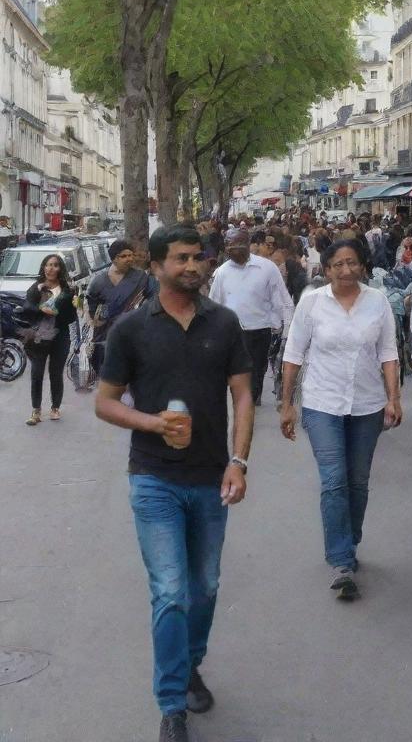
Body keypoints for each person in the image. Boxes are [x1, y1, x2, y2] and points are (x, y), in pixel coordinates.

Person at [94, 225, 254, 742]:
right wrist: (153, 423)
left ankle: (190, 664)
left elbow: (244, 397)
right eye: (181, 258)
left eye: (197, 257)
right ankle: (171, 704)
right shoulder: (131, 330)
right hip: (153, 479)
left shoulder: (225, 323)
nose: (193, 265)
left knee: (204, 588)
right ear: (156, 265)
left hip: (211, 478)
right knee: (170, 591)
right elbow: (106, 401)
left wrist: (239, 461)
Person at [279, 238, 402, 600]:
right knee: (334, 479)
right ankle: (341, 561)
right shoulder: (312, 303)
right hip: (322, 404)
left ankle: (349, 539)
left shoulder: (377, 301)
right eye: (338, 264)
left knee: (358, 482)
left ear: (362, 265)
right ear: (326, 268)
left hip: (367, 405)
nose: (346, 270)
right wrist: (287, 404)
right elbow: (293, 353)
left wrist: (393, 398)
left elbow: (389, 353)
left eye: (352, 263)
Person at [208, 227, 294, 407]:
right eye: (230, 245)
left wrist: (286, 328)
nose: (234, 249)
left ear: (248, 245)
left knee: (256, 372)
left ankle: (252, 397)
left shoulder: (266, 268)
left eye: (239, 244)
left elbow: (283, 300)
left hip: (260, 331)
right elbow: (214, 305)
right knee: (237, 373)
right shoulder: (222, 273)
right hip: (233, 333)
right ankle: (244, 403)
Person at [86, 238, 157, 374]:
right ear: (114, 259)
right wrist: (99, 319)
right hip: (105, 337)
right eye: (124, 256)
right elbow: (91, 310)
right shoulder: (98, 281)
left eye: (131, 255)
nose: (129, 259)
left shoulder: (141, 277)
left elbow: (154, 297)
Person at [24, 254, 78, 426]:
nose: (51, 268)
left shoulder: (67, 290)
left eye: (55, 265)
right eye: (48, 265)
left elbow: (71, 317)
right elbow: (27, 308)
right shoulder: (36, 287)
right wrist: (42, 309)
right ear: (43, 267)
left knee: (56, 373)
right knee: (37, 373)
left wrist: (74, 303)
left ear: (60, 268)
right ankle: (36, 411)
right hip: (39, 336)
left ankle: (55, 408)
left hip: (60, 335)